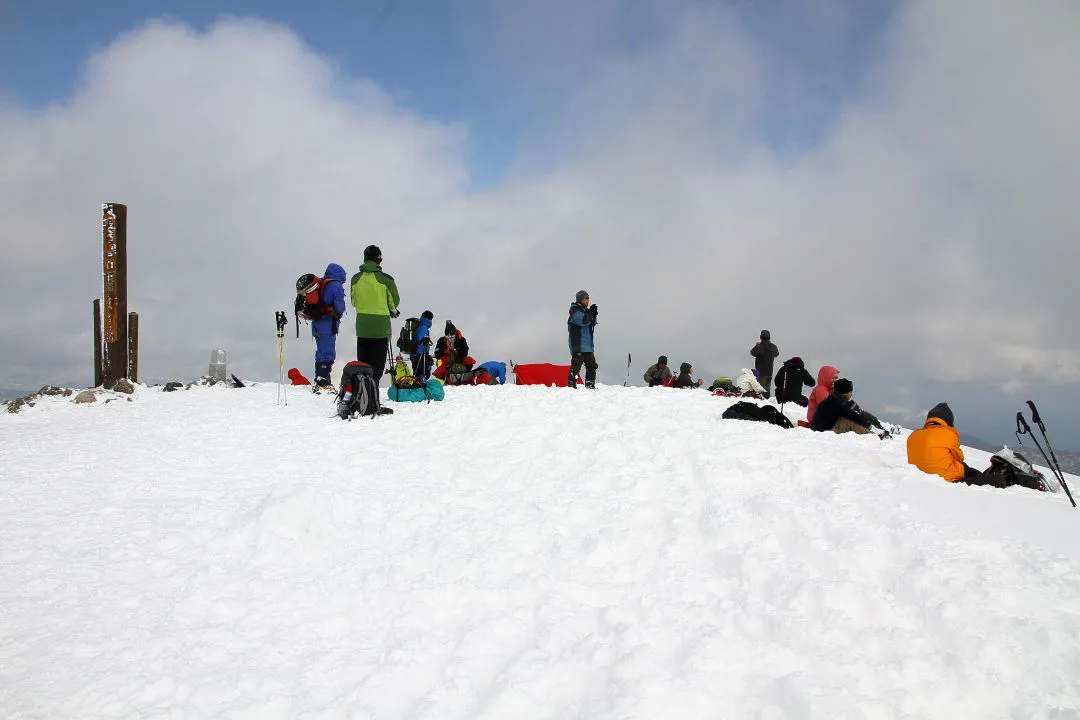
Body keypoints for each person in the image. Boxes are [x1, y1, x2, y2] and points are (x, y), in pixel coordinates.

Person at [350, 245, 400, 385]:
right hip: (380, 327)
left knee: (363, 365)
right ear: (379, 259)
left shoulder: (355, 279)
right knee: (376, 367)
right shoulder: (386, 279)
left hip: (362, 326)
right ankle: (372, 396)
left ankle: (363, 395)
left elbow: (354, 302)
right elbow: (394, 301)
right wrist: (390, 309)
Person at [906, 403, 984, 482]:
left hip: (917, 474)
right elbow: (959, 457)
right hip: (944, 476)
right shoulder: (949, 434)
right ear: (948, 421)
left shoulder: (913, 435)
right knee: (970, 472)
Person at [312, 262, 347, 390]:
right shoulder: (335, 285)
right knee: (328, 351)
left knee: (321, 351)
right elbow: (339, 307)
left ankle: (319, 377)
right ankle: (323, 381)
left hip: (317, 322)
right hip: (327, 323)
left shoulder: (321, 284)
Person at [567, 289, 598, 389]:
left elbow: (590, 323)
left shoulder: (585, 311)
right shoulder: (574, 310)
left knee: (592, 366)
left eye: (589, 298)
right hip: (578, 344)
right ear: (581, 299)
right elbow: (583, 321)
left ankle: (590, 385)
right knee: (576, 366)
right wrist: (590, 313)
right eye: (586, 298)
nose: (588, 300)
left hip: (587, 345)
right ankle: (571, 385)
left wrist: (593, 314)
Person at [750, 329, 779, 397]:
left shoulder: (759, 346)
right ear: (769, 337)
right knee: (767, 390)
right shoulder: (773, 346)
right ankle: (767, 402)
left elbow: (752, 352)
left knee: (761, 392)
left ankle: (762, 404)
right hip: (769, 372)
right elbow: (776, 354)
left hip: (760, 373)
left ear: (761, 337)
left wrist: (757, 345)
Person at [411, 310, 435, 380]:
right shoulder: (423, 327)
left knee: (418, 374)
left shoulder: (419, 326)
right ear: (429, 319)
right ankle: (420, 387)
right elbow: (422, 340)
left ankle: (418, 387)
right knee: (422, 374)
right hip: (420, 354)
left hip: (415, 354)